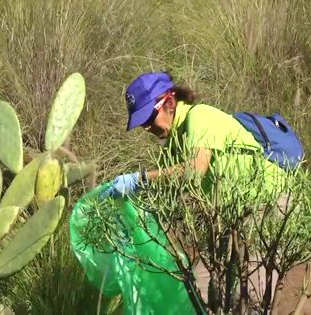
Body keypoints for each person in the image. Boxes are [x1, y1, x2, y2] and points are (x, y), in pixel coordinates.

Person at [99, 71, 288, 308]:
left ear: (168, 102)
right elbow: (161, 191)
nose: (147, 128)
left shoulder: (200, 116)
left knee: (247, 296)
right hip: (232, 214)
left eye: (149, 118)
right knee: (204, 288)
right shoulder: (175, 142)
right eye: (142, 123)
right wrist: (124, 216)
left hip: (265, 201)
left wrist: (139, 179)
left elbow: (194, 170)